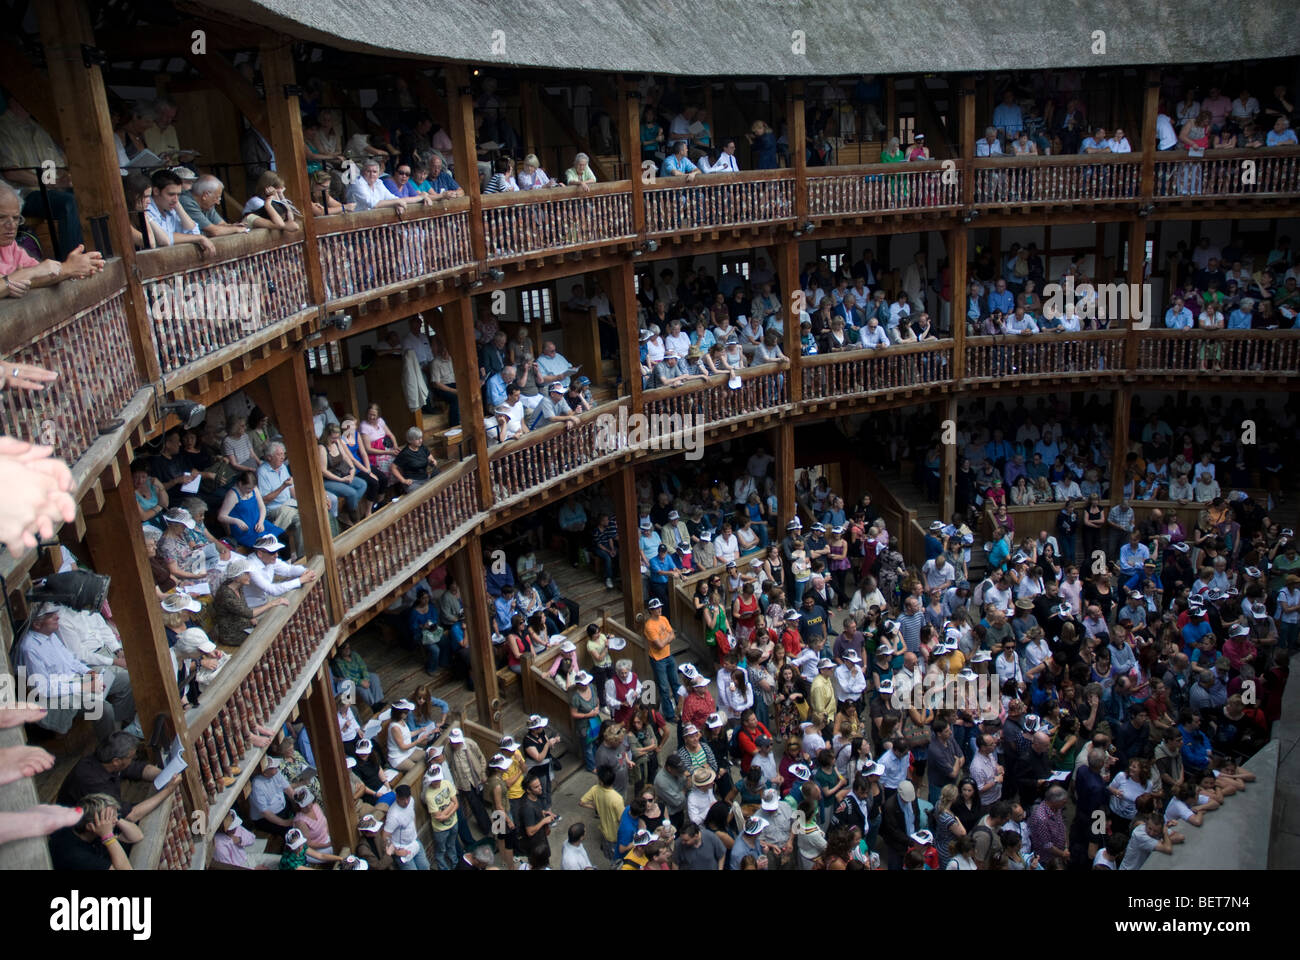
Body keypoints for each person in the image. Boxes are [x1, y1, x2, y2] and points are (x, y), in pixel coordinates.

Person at [384, 784, 430, 870]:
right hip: (401, 848)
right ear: (397, 797)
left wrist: (414, 832)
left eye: (407, 798)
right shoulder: (393, 816)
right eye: (402, 799)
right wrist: (395, 851)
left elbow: (412, 816)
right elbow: (385, 836)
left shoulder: (411, 801)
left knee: (425, 867)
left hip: (414, 842)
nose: (406, 802)